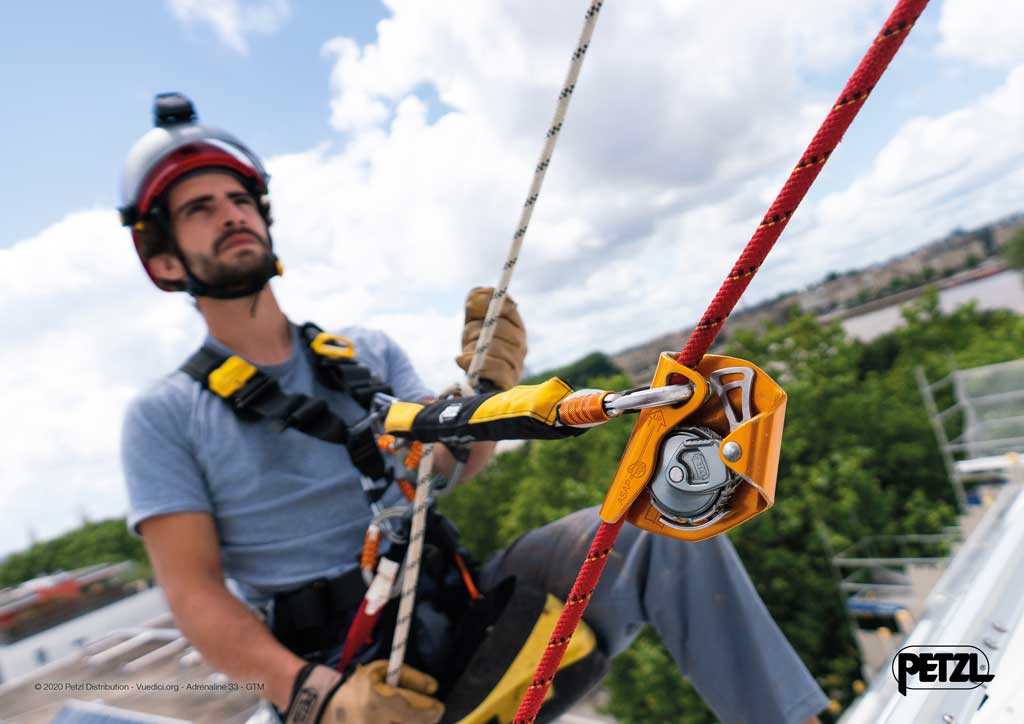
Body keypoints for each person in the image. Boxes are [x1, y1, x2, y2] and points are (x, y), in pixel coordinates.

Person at [119, 93, 827, 724]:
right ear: (165, 260)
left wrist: (484, 402)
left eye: (238, 200)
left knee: (659, 527)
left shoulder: (360, 355)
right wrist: (318, 698)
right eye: (199, 209)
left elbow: (447, 470)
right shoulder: (167, 417)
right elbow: (194, 594)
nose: (230, 216)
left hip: (458, 606)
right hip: (336, 671)